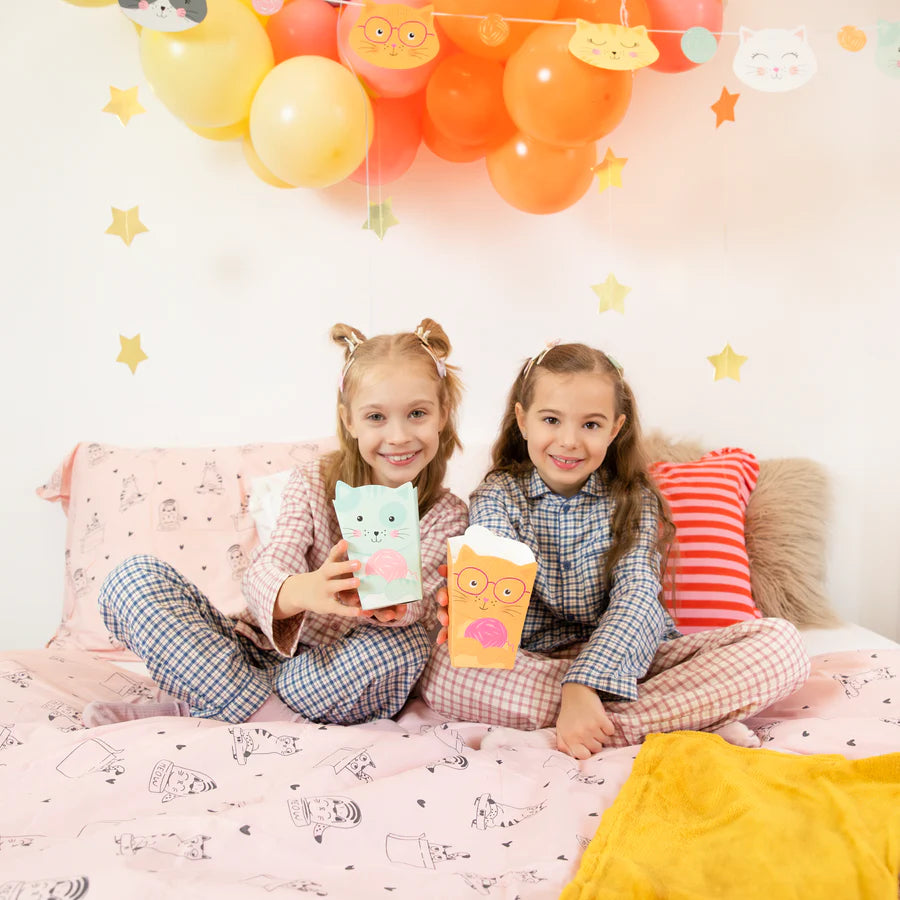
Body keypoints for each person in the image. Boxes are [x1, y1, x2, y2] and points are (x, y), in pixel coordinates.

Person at [417, 341, 810, 759]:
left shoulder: (632, 498)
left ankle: (584, 728)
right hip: (534, 662)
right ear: (523, 420)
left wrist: (585, 683)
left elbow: (637, 594)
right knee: (442, 672)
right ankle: (684, 718)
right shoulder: (498, 495)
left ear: (615, 429)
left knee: (783, 646)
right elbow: (489, 578)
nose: (568, 441)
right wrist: (471, 609)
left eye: (590, 425)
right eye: (551, 419)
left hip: (633, 655)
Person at [84, 319, 468, 728]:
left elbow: (420, 604)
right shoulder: (313, 483)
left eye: (417, 414)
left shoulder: (448, 515)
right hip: (248, 651)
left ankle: (213, 704)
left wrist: (392, 606)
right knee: (132, 579)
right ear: (349, 420)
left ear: (442, 414)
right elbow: (266, 570)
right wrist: (304, 590)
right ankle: (266, 713)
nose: (398, 436)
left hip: (329, 677)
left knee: (404, 645)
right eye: (376, 417)